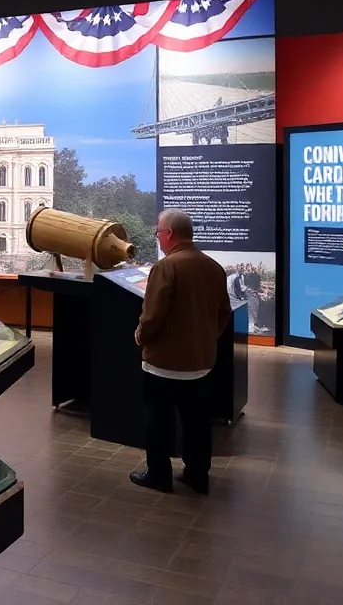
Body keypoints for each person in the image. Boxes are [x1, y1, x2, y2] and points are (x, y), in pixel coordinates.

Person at [130, 209, 231, 495]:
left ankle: (159, 474)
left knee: (158, 420)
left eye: (158, 232)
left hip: (163, 365)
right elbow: (223, 313)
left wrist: (140, 336)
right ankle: (197, 475)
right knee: (197, 423)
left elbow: (152, 316)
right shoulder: (213, 267)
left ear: (169, 233)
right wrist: (205, 339)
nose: (158, 237)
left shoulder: (166, 267)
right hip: (200, 364)